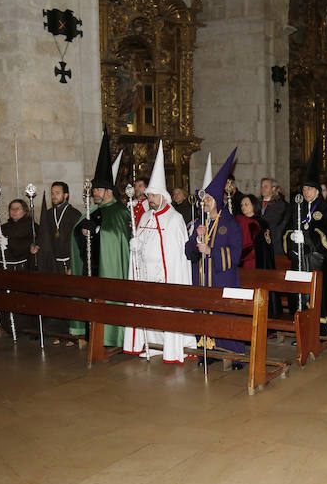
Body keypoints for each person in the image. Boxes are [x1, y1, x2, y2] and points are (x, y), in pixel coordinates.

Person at [123, 141, 196, 363]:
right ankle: (153, 344)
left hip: (167, 276)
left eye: (153, 195)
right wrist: (135, 245)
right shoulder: (145, 217)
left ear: (162, 196)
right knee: (150, 310)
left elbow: (177, 254)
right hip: (147, 275)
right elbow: (143, 242)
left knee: (167, 309)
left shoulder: (175, 219)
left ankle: (174, 346)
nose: (150, 199)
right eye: (148, 196)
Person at [69, 133, 131, 348]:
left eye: (97, 189)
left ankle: (110, 336)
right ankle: (88, 333)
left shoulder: (120, 211)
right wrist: (81, 232)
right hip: (90, 267)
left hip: (108, 270)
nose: (93, 192)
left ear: (108, 190)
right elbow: (77, 234)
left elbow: (119, 238)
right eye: (93, 188)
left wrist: (96, 230)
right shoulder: (93, 209)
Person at [185, 149, 244, 356]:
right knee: (201, 313)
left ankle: (230, 352)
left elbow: (236, 254)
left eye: (209, 198)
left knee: (224, 315)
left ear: (217, 200)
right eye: (204, 199)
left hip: (221, 278)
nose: (205, 202)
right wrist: (195, 242)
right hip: (201, 280)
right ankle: (205, 350)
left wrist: (211, 251)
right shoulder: (200, 222)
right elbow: (188, 251)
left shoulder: (230, 223)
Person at [284, 171, 327, 333]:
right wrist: (291, 237)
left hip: (319, 262)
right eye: (304, 189)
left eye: (309, 188)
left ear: (317, 190)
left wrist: (308, 238)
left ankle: (319, 330)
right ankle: (302, 332)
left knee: (318, 296)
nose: (306, 192)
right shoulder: (297, 207)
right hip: (299, 261)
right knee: (299, 296)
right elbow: (287, 230)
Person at [32, 182, 82, 275]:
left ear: (66, 195)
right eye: (52, 193)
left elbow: (78, 242)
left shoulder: (74, 214)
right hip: (52, 263)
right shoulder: (49, 214)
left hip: (67, 263)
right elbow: (44, 236)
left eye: (57, 193)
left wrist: (72, 266)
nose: (54, 196)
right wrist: (36, 245)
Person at [0, 198, 37, 271]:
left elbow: (28, 244)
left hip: (20, 269)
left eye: (17, 209)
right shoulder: (5, 227)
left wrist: (8, 242)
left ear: (25, 211)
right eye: (11, 209)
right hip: (2, 267)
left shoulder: (32, 227)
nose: (14, 211)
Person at [236, 195, 273, 270]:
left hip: (252, 260)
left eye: (246, 204)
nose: (243, 207)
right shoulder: (240, 221)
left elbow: (263, 244)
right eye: (242, 205)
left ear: (253, 205)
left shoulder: (259, 222)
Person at [259, 178, 289, 257]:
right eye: (261, 186)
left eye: (266, 187)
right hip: (260, 241)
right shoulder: (257, 203)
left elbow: (270, 221)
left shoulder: (279, 204)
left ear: (273, 189)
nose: (263, 189)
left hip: (274, 241)